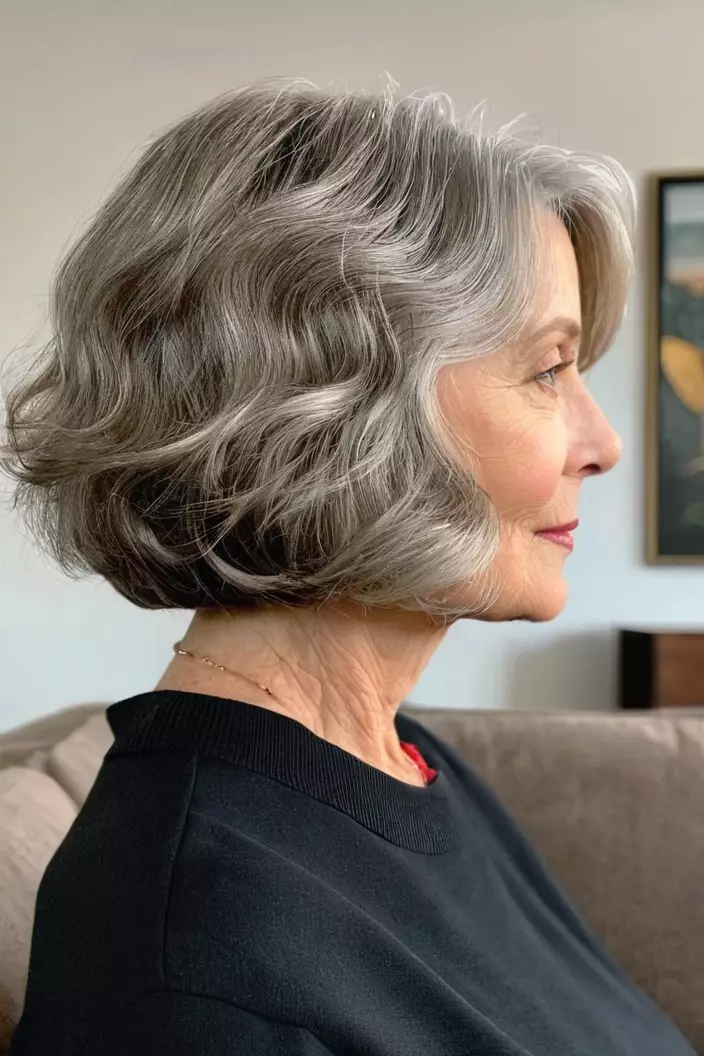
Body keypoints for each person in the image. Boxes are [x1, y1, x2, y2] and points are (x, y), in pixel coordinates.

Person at [2, 77, 694, 1055]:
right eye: (547, 369)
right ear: (339, 407)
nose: (603, 442)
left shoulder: (403, 763)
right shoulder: (202, 982)